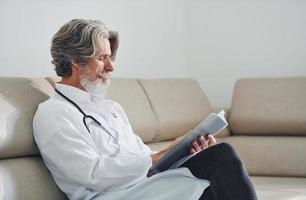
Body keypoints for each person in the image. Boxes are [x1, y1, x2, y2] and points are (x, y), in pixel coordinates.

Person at [33, 19, 257, 200]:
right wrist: (155, 159)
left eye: (110, 58)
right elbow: (91, 174)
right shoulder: (54, 113)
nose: (111, 67)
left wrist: (180, 148)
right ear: (75, 60)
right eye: (102, 58)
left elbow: (142, 157)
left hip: (144, 185)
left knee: (216, 163)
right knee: (221, 161)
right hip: (111, 195)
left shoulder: (112, 109)